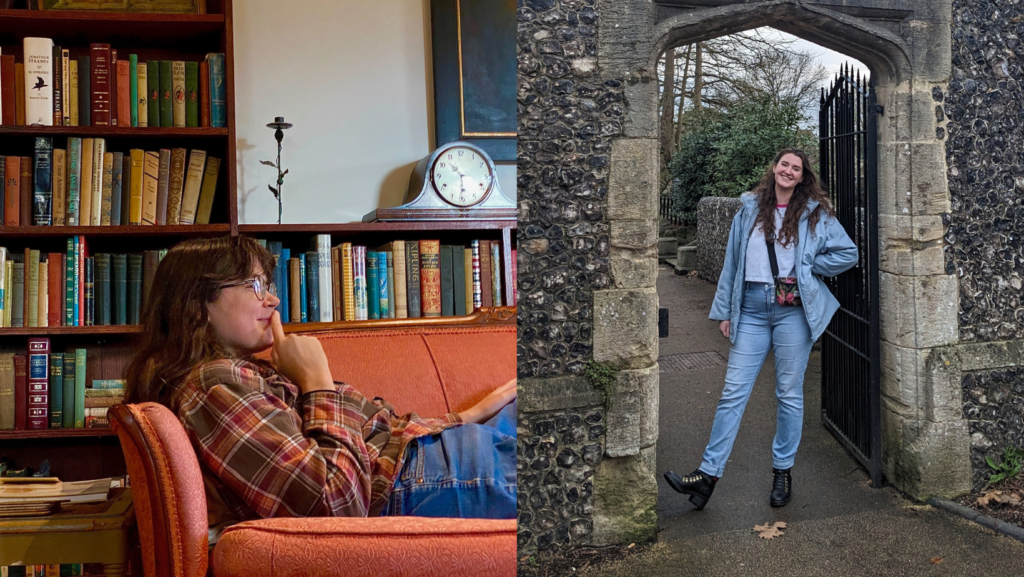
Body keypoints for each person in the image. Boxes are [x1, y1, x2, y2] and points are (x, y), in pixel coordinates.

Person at [124, 235, 517, 544]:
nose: (273, 299)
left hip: (434, 453)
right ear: (198, 305)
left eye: (269, 284)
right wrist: (317, 381)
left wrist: (463, 417)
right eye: (255, 285)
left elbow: (378, 436)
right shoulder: (212, 385)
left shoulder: (245, 374)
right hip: (422, 478)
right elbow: (333, 509)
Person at [663, 148, 858, 510]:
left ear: (803, 177)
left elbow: (848, 254)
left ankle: (782, 470)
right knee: (732, 393)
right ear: (774, 168)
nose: (788, 170)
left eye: (795, 168)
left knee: (788, 393)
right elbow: (732, 263)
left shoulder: (816, 214)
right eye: (784, 164)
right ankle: (707, 476)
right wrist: (724, 312)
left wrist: (808, 267)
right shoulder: (749, 210)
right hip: (750, 308)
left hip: (792, 311)